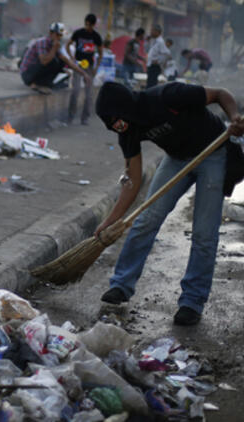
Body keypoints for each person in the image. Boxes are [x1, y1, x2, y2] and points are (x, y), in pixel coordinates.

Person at [94, 81, 244, 325]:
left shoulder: (169, 96)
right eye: (110, 123)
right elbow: (132, 179)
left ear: (126, 109)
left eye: (116, 120)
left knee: (204, 233)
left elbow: (220, 93)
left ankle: (192, 302)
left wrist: (235, 117)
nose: (116, 127)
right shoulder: (127, 129)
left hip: (212, 154)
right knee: (147, 219)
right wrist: (111, 220)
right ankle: (121, 285)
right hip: (176, 160)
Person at [19, 22, 91, 95]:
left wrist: (84, 74)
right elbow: (44, 61)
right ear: (51, 33)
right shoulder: (42, 42)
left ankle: (44, 84)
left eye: (60, 35)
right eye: (57, 35)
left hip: (35, 72)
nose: (59, 38)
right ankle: (36, 84)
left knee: (61, 63)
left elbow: (67, 61)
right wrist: (54, 48)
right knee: (53, 61)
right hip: (27, 74)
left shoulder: (54, 44)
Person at [66, 13, 102, 125]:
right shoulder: (78, 33)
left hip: (89, 67)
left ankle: (85, 118)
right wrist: (72, 58)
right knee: (75, 91)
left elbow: (101, 53)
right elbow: (67, 45)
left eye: (90, 25)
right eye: (86, 25)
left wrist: (96, 67)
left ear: (93, 25)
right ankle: (70, 116)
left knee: (88, 93)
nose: (88, 27)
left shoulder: (96, 36)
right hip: (78, 65)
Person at [145, 24, 170, 88]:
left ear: (157, 32)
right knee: (149, 83)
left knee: (151, 84)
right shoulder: (154, 40)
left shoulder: (160, 42)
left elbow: (166, 53)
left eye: (152, 31)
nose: (150, 32)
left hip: (155, 66)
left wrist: (158, 61)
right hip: (151, 65)